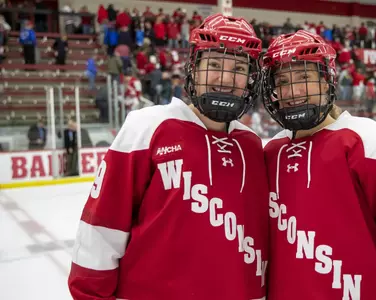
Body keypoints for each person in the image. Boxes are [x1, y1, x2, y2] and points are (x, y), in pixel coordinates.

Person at [68, 14, 269, 300]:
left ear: (250, 79)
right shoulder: (147, 126)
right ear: (193, 69)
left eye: (237, 68)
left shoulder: (251, 145)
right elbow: (101, 229)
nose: (225, 78)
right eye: (213, 64)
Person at [261, 30, 376, 300]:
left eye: (304, 78)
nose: (293, 91)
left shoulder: (373, 144)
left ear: (327, 81)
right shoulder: (271, 152)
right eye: (282, 81)